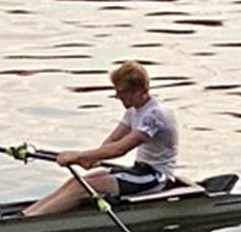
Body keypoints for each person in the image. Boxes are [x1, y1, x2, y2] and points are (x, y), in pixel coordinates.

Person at [22, 60, 178, 217]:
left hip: (157, 177)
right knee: (77, 181)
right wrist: (91, 159)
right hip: (139, 171)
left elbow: (120, 149)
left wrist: (78, 155)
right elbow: (111, 142)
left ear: (139, 91)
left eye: (122, 92)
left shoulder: (155, 114)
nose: (117, 96)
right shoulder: (134, 110)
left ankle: (27, 222)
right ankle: (24, 215)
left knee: (85, 187)